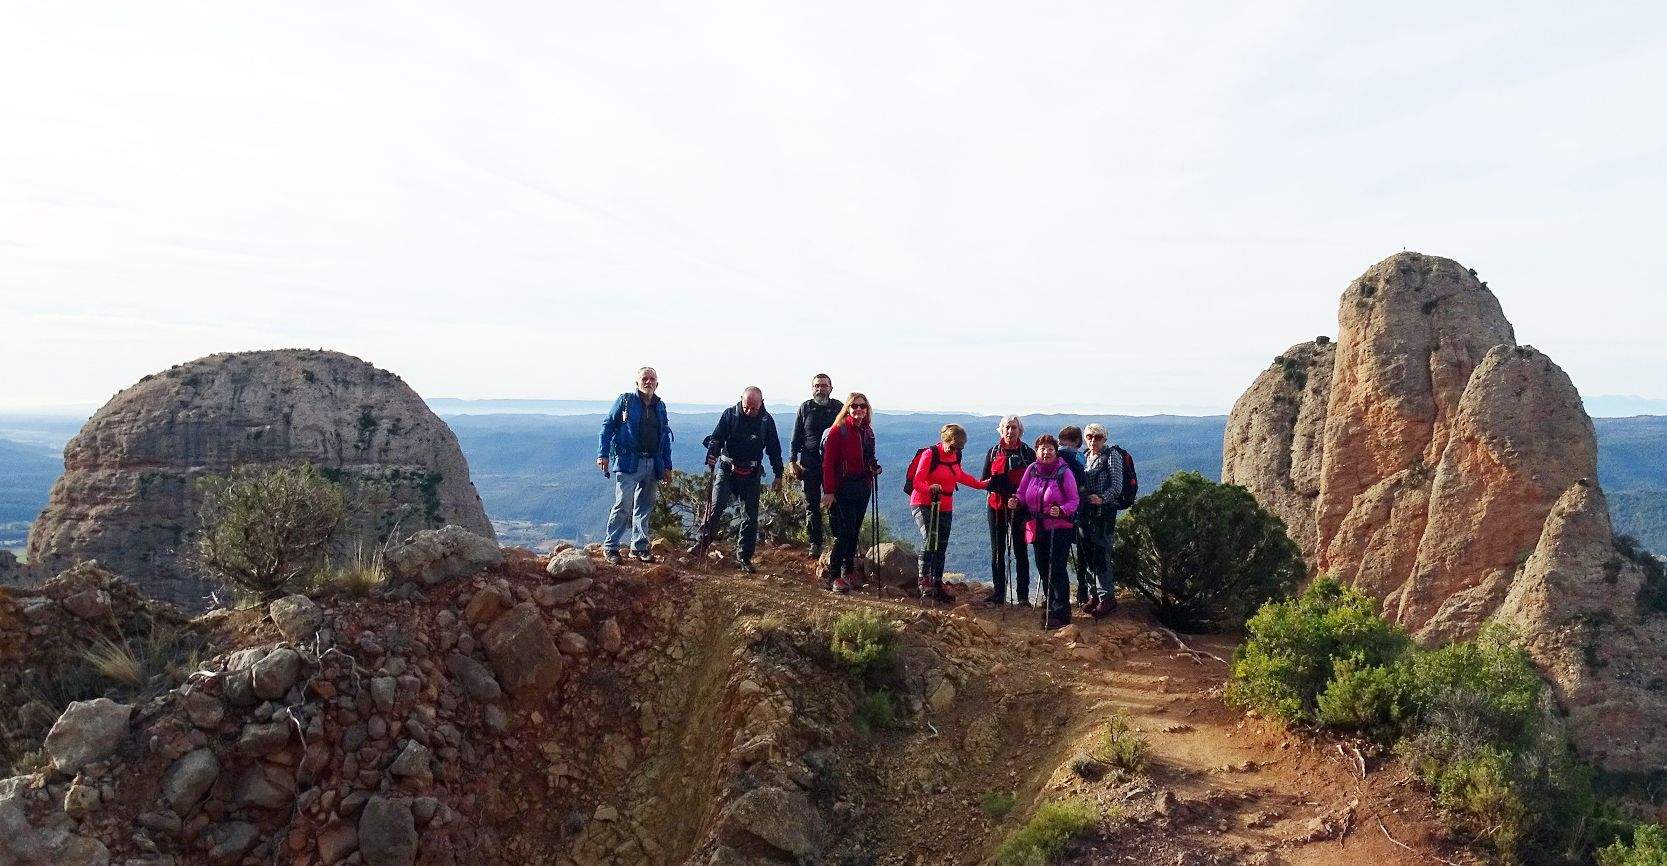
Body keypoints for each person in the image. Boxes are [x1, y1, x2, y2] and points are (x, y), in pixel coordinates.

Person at [688, 387, 785, 573]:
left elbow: (774, 449)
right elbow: (717, 438)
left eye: (754, 408)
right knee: (716, 507)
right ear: (741, 400)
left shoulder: (766, 421)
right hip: (727, 469)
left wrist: (779, 474)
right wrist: (712, 453)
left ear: (762, 403)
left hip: (752, 472)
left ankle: (744, 556)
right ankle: (701, 545)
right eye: (746, 406)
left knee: (750, 516)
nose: (749, 411)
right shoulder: (730, 415)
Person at [596, 367, 672, 565]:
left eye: (652, 379)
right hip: (628, 461)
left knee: (645, 507)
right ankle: (611, 547)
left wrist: (666, 466)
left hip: (652, 462)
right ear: (637, 382)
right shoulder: (626, 401)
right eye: (644, 379)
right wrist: (602, 454)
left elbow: (664, 437)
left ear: (657, 383)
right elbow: (607, 427)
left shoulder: (660, 406)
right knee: (623, 505)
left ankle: (639, 547)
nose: (648, 382)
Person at [905, 423, 988, 603]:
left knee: (941, 545)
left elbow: (959, 475)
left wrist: (982, 485)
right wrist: (930, 488)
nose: (955, 450)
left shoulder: (956, 455)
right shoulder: (930, 454)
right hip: (923, 502)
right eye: (953, 446)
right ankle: (924, 580)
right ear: (945, 441)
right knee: (930, 539)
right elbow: (917, 482)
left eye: (960, 447)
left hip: (945, 504)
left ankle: (936, 581)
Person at [1011, 434, 1080, 629]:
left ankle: (1061, 613)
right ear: (1036, 451)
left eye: (1050, 449)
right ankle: (1051, 605)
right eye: (1043, 448)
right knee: (1043, 567)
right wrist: (1016, 501)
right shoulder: (1032, 469)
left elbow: (1074, 500)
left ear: (1056, 452)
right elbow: (1023, 492)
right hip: (1037, 525)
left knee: (1056, 568)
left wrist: (1062, 510)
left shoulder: (1064, 472)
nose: (1046, 452)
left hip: (1059, 528)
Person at [820, 392, 880, 594]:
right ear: (848, 408)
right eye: (854, 406)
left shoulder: (867, 431)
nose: (858, 409)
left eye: (862, 406)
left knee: (854, 530)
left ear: (867, 409)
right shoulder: (839, 430)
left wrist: (873, 468)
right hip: (843, 488)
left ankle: (848, 570)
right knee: (843, 532)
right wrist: (829, 491)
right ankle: (833, 576)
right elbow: (828, 463)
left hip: (862, 486)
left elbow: (869, 457)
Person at [981, 415, 1036, 606]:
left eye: (1014, 428)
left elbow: (1034, 483)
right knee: (998, 551)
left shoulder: (1028, 453)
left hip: (1020, 508)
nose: (1010, 431)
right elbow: (985, 480)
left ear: (1020, 431)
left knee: (1020, 551)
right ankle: (998, 594)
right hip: (996, 507)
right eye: (1007, 427)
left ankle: (1022, 597)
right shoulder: (993, 452)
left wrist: (1018, 498)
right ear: (1001, 430)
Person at [787, 374, 842, 559]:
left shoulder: (838, 408)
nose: (820, 389)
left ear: (831, 388)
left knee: (835, 503)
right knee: (812, 505)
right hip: (809, 462)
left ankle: (838, 541)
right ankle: (815, 543)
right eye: (817, 386)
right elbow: (796, 436)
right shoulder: (805, 408)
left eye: (824, 386)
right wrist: (792, 461)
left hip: (834, 464)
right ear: (812, 389)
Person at [1079, 423, 1125, 616]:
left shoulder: (1111, 456)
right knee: (1088, 553)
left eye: (1097, 437)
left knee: (1101, 553)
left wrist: (1102, 498)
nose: (1093, 440)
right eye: (1089, 436)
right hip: (1087, 512)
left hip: (1104, 513)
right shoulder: (1084, 457)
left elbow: (1117, 485)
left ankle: (1107, 598)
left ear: (1104, 438)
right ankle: (1094, 595)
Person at [1056, 426, 1088, 605]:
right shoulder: (1079, 458)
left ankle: (1057, 596)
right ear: (1078, 442)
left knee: (1059, 554)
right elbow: (1083, 483)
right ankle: (1082, 591)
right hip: (1078, 510)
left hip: (1058, 511)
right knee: (1082, 551)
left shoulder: (1055, 457)